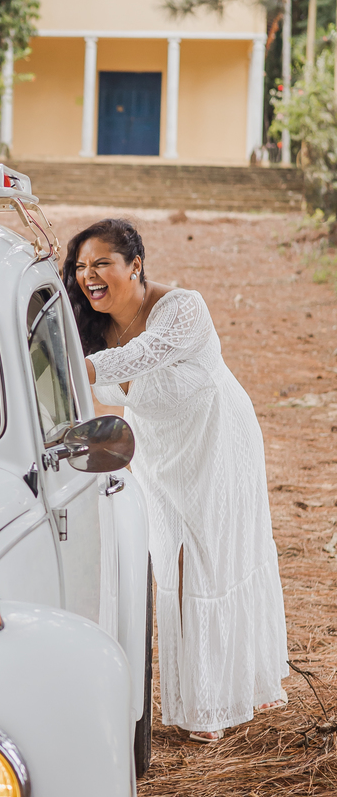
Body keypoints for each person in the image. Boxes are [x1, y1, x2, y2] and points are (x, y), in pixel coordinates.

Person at [63, 217, 288, 743]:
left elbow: (142, 357)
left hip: (216, 439)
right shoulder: (89, 325)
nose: (89, 277)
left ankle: (211, 702)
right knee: (170, 561)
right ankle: (204, 691)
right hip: (159, 450)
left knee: (207, 559)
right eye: (80, 268)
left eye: (101, 264)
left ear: (135, 265)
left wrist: (69, 361)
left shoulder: (184, 308)